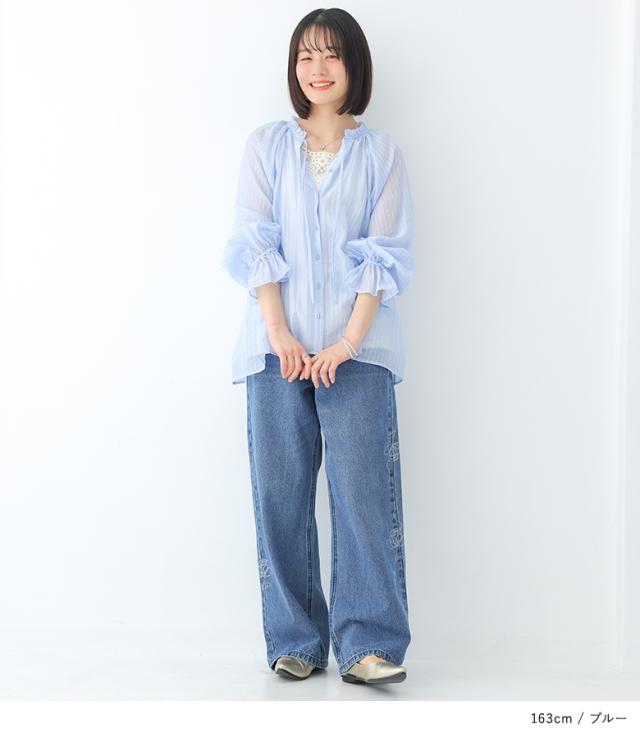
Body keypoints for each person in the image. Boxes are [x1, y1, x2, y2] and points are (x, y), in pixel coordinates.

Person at [222, 8, 415, 685]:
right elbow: (254, 240)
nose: (318, 68)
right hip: (275, 349)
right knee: (280, 498)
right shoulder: (266, 146)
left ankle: (369, 646)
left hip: (358, 353)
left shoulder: (382, 154)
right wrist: (280, 334)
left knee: (365, 501)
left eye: (331, 54)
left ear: (354, 65)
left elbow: (385, 255)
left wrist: (345, 342)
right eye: (306, 55)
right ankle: (296, 641)